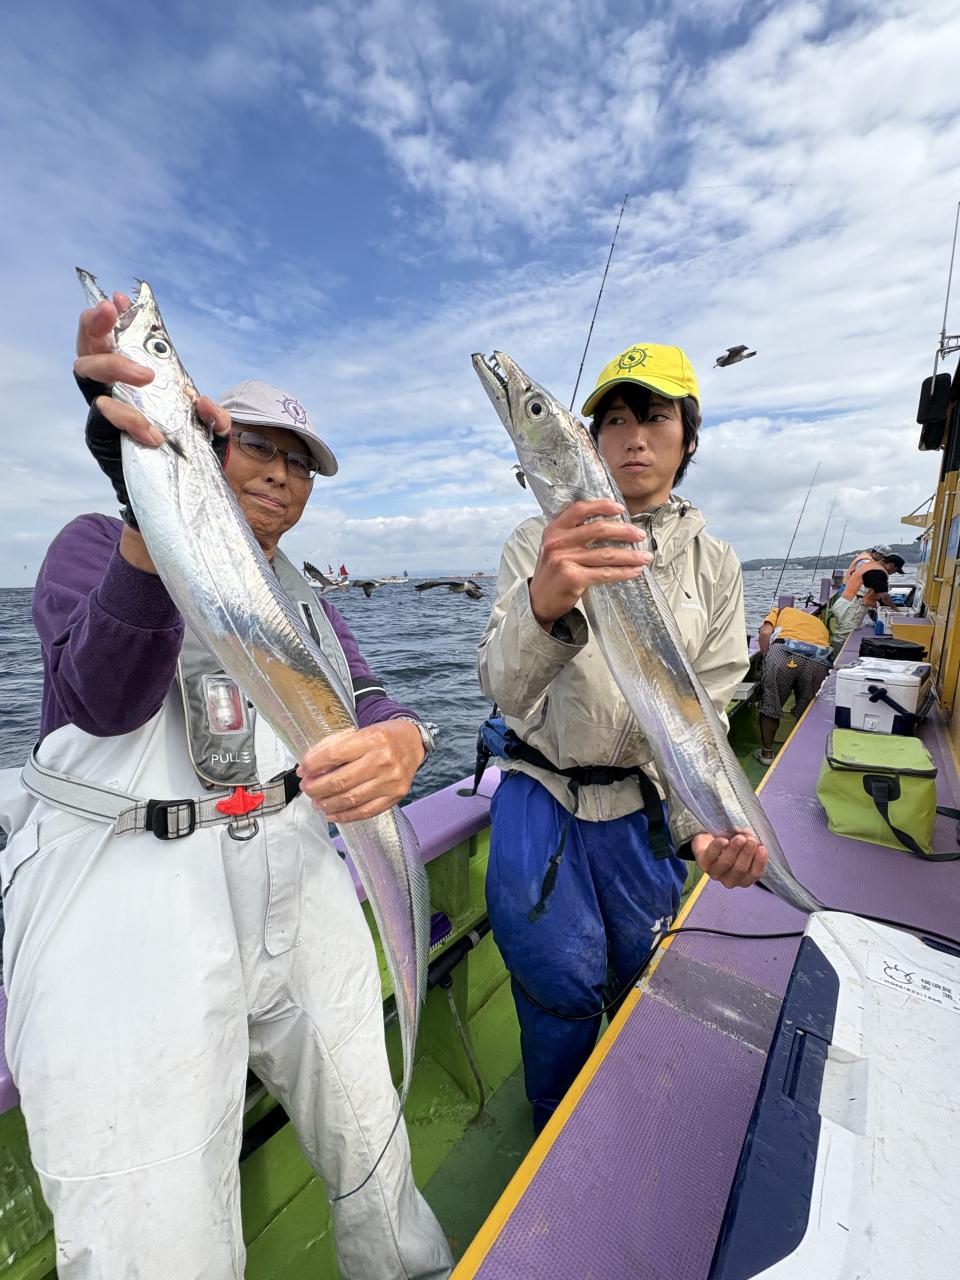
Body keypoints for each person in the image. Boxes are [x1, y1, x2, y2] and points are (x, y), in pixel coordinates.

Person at [0, 292, 453, 1280]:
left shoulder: (303, 596)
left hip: (293, 870)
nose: (282, 474)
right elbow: (103, 699)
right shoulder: (92, 544)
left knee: (374, 1143)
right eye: (257, 446)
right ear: (206, 443)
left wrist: (408, 739)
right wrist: (146, 514)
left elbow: (368, 699)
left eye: (301, 463)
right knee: (154, 1232)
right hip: (130, 892)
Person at [477, 341, 769, 1134]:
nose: (634, 436)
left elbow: (704, 718)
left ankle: (631, 1125)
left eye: (655, 416)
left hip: (642, 808)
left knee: (646, 975)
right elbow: (503, 689)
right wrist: (543, 603)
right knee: (556, 989)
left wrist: (703, 828)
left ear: (688, 436)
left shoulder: (717, 565)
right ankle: (556, 1135)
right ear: (589, 441)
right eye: (612, 420)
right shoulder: (533, 541)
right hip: (542, 798)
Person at [754, 604, 833, 766]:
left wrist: (767, 659)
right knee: (807, 710)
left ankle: (767, 754)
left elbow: (765, 633)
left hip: (784, 650)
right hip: (818, 658)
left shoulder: (779, 611)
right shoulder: (818, 623)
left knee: (771, 704)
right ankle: (802, 753)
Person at [829, 547, 904, 651]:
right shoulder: (878, 572)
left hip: (844, 602)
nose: (893, 573)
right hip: (853, 606)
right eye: (895, 571)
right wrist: (896, 609)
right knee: (844, 635)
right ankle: (835, 656)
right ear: (891, 565)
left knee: (839, 632)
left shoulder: (870, 565)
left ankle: (833, 653)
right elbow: (884, 596)